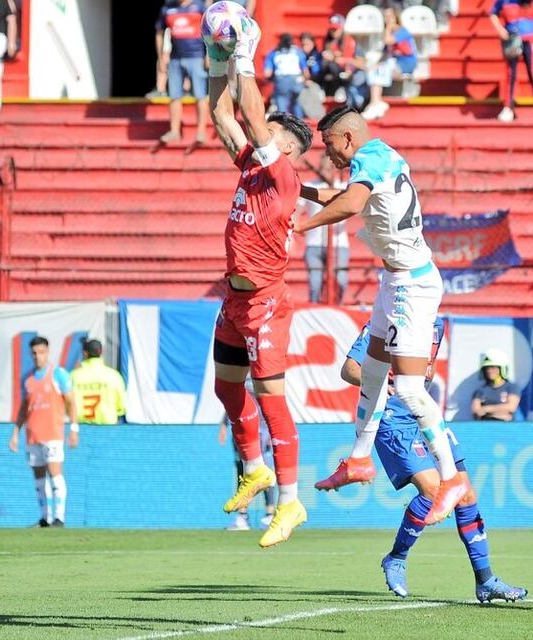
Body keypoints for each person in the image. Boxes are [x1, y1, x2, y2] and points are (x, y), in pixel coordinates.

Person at [295, 106, 468, 525]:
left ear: (347, 138)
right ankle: (358, 460)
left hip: (413, 285)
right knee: (372, 371)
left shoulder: (367, 161)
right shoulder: (383, 157)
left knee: (409, 390)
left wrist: (300, 227)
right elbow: (345, 198)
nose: (328, 153)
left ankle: (451, 479)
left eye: (329, 143)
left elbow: (350, 205)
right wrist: (293, 188)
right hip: (396, 282)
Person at [204, 16, 314, 548]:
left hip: (267, 301)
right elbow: (222, 112)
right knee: (227, 386)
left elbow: (247, 110)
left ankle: (290, 503)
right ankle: (254, 469)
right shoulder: (251, 166)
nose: (258, 130)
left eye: (268, 130)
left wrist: (245, 53)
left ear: (286, 148)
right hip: (234, 300)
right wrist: (215, 55)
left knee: (271, 400)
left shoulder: (284, 176)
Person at [342, 320, 528, 602]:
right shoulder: (385, 322)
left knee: (465, 495)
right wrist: (378, 385)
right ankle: (396, 558)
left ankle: (485, 580)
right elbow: (349, 370)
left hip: (424, 416)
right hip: (393, 420)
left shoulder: (436, 325)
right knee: (432, 490)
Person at [9, 336, 79, 528]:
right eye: (34, 353)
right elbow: (24, 408)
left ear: (47, 352)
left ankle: (60, 517)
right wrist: (16, 431)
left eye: (41, 352)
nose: (37, 356)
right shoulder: (28, 379)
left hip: (53, 433)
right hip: (33, 434)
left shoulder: (58, 374)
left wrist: (73, 428)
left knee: (55, 473)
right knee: (39, 477)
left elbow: (71, 402)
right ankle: (45, 518)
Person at [218, 383, 277, 531]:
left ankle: (270, 514)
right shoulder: (238, 376)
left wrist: (272, 431)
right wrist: (224, 424)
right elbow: (232, 400)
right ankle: (242, 516)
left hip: (260, 431)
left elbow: (273, 403)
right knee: (242, 473)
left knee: (263, 472)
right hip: (239, 429)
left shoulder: (261, 377)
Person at [297, 155, 349, 304]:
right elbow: (297, 211)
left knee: (341, 281)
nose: (325, 171)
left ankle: (338, 310)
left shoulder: (345, 187)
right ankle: (314, 312)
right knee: (315, 284)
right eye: (323, 168)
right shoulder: (310, 186)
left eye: (329, 168)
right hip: (314, 243)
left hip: (339, 243)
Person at [158, 0, 210, 144]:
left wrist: (209, 54)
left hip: (196, 57)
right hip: (175, 58)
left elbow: (210, 31)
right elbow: (159, 32)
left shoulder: (200, 7)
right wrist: (161, 56)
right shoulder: (168, 8)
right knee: (174, 96)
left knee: (200, 95)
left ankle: (201, 132)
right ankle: (174, 131)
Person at [489, 0, 533, 123]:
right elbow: (493, 13)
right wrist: (499, 29)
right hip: (512, 39)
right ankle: (508, 108)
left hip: (529, 38)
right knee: (511, 74)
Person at [362, 7, 419, 121]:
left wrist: (388, 27)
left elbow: (388, 40)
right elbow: (385, 54)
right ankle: (375, 102)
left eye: (390, 17)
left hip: (405, 64)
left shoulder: (402, 31)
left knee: (383, 67)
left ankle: (376, 102)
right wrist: (375, 65)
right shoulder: (390, 33)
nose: (387, 20)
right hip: (394, 64)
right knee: (375, 68)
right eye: (385, 17)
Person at [70, 338, 126, 425]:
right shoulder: (114, 376)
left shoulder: (73, 376)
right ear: (101, 352)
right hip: (107, 428)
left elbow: (65, 404)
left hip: (81, 428)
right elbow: (121, 407)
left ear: (85, 353)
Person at [320, 14, 367, 110]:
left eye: (336, 29)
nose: (333, 32)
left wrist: (346, 61)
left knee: (358, 79)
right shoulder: (328, 43)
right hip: (338, 75)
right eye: (331, 29)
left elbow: (362, 63)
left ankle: (358, 106)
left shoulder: (352, 41)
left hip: (354, 73)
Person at [264, 33, 309, 118]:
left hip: (281, 80)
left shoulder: (274, 52)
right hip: (297, 80)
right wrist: (305, 80)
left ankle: (284, 123)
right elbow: (306, 72)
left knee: (281, 101)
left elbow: (267, 73)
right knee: (297, 102)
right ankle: (299, 123)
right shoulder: (298, 51)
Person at [470, 349, 521, 422]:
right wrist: (501, 411)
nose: (489, 371)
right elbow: (476, 411)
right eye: (487, 368)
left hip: (505, 427)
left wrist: (485, 409)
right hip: (484, 426)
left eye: (493, 367)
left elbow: (511, 407)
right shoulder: (480, 390)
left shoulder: (512, 387)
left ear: (502, 369)